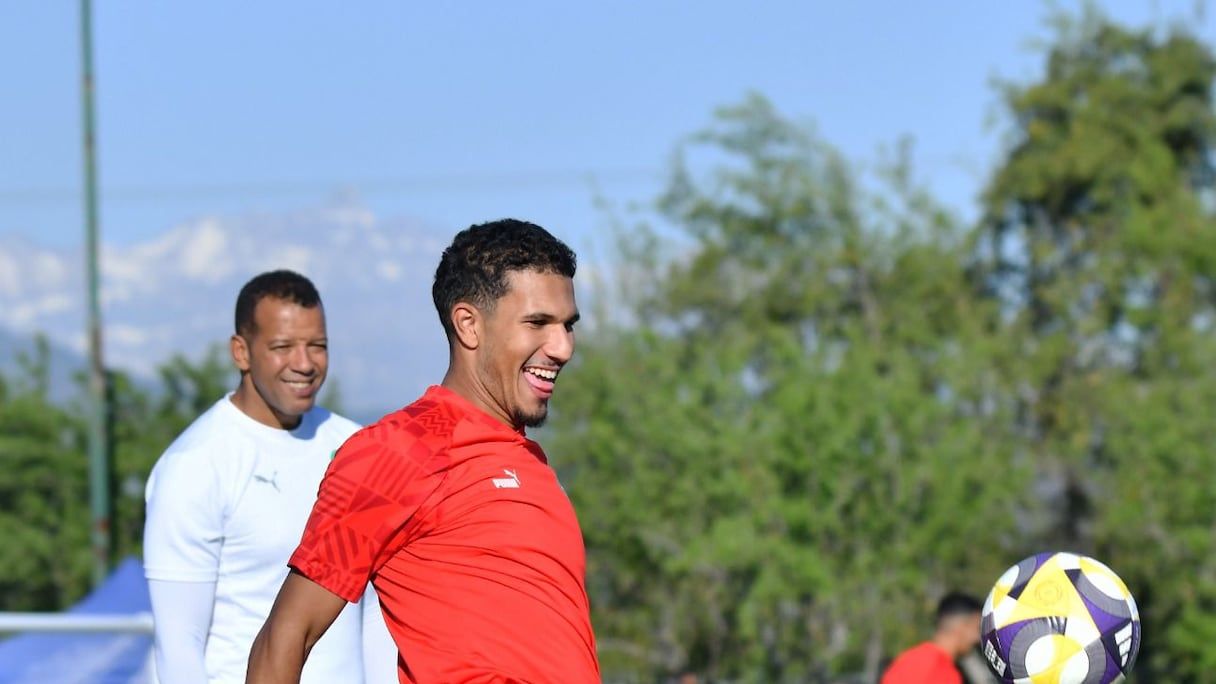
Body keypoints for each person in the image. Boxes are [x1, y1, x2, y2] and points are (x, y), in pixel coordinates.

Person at [246, 219, 600, 683]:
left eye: (568, 325)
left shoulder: (528, 461)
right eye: (538, 323)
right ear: (469, 324)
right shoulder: (397, 451)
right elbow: (285, 639)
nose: (563, 347)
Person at [143, 270, 396, 684]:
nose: (304, 363)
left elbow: (376, 610)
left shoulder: (359, 448)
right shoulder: (194, 465)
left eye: (317, 346)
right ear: (241, 352)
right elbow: (179, 644)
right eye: (283, 347)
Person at [881, 592, 984, 684]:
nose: (978, 638)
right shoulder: (940, 671)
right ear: (962, 627)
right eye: (977, 629)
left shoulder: (909, 660)